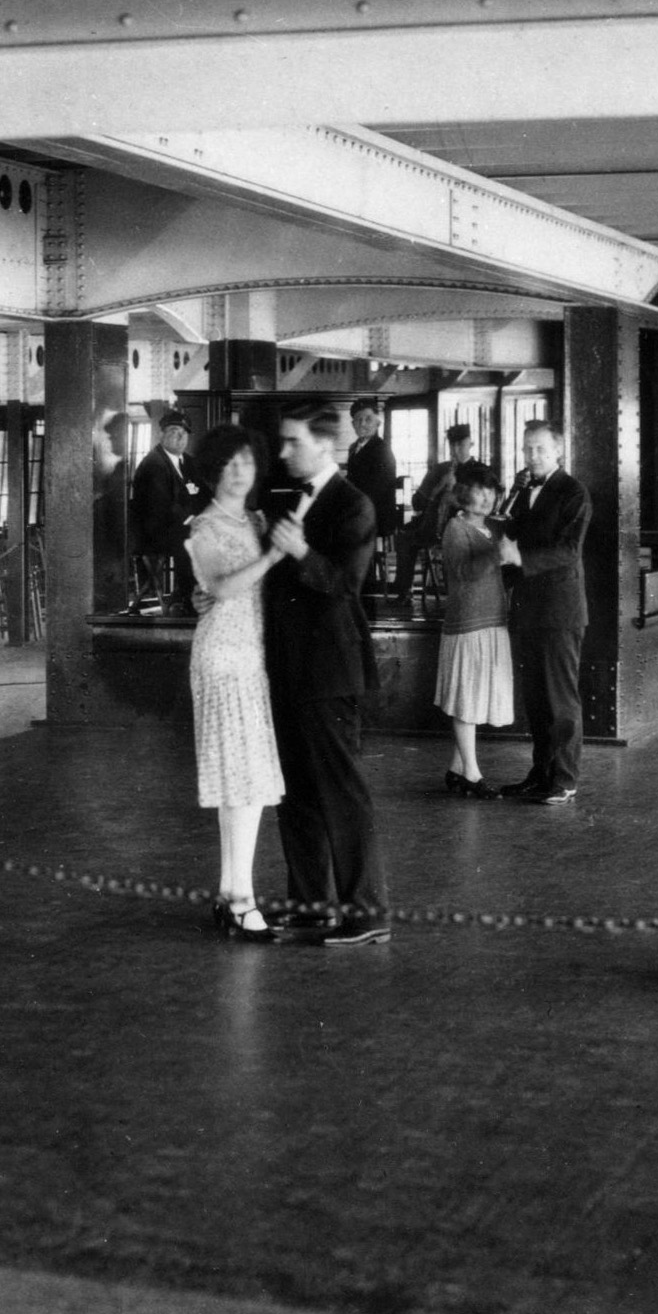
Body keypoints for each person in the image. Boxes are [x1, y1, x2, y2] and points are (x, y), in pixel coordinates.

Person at [259, 404, 389, 946]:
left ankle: (367, 910)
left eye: (293, 443)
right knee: (297, 792)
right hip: (291, 667)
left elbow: (345, 584)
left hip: (331, 670)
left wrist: (299, 550)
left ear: (323, 444)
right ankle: (311, 904)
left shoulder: (353, 504)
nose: (284, 452)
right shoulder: (295, 501)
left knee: (341, 791)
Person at [182, 423, 287, 943]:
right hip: (224, 657)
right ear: (213, 471)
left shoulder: (256, 518)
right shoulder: (203, 526)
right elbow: (220, 586)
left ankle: (232, 892)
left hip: (251, 656)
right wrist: (271, 556)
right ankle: (241, 899)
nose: (241, 471)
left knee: (246, 782)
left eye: (248, 461)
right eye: (230, 463)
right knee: (243, 781)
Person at [493, 419, 590, 804]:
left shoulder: (573, 492)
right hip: (529, 608)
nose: (531, 456)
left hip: (560, 611)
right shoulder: (523, 489)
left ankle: (564, 779)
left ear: (558, 451)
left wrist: (520, 556)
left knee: (560, 699)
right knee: (536, 699)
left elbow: (569, 550)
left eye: (540, 449)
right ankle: (541, 773)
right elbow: (509, 527)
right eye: (527, 448)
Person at [432, 463, 513, 796]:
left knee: (475, 700)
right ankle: (472, 776)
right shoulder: (456, 527)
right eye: (479, 490)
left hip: (492, 621)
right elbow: (463, 572)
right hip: (467, 626)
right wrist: (498, 554)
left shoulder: (491, 529)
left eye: (492, 491)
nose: (487, 498)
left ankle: (457, 767)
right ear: (464, 493)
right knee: (468, 700)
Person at [127, 407, 198, 613]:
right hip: (154, 533)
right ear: (161, 434)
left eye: (184, 433)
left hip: (175, 527)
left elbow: (202, 493)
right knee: (195, 539)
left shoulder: (187, 462)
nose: (180, 436)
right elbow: (162, 506)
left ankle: (189, 594)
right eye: (174, 430)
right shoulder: (153, 465)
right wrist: (193, 520)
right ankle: (188, 599)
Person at [401, 420, 478, 601]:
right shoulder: (440, 469)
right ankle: (405, 591)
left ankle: (456, 598)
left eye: (461, 445)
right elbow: (417, 502)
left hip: (462, 530)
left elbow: (480, 506)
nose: (456, 450)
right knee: (405, 538)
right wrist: (439, 486)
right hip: (431, 527)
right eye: (452, 446)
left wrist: (456, 494)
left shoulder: (479, 471)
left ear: (471, 445)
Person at [342, 398, 400, 598]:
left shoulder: (381, 450)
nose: (362, 424)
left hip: (378, 513)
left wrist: (351, 504)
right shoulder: (354, 448)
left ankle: (361, 588)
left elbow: (375, 489)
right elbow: (351, 482)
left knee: (345, 530)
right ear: (352, 425)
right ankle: (349, 584)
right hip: (363, 508)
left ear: (378, 422)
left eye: (368, 419)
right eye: (358, 420)